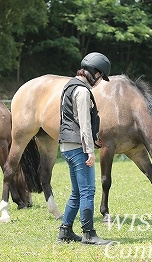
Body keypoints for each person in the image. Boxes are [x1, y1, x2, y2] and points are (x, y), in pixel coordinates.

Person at [57, 52, 112, 245]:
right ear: (94, 72)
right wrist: (89, 150)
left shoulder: (69, 86)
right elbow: (84, 123)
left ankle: (65, 231)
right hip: (79, 148)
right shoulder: (81, 91)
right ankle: (88, 233)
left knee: (77, 192)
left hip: (67, 145)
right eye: (100, 77)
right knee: (88, 190)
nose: (99, 82)